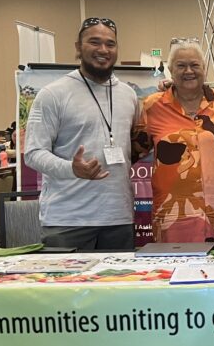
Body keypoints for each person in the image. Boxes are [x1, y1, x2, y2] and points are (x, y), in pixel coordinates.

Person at [25, 17, 142, 250]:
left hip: (118, 219)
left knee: (118, 286)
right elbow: (33, 153)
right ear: (78, 47)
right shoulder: (53, 94)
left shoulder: (129, 95)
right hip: (68, 221)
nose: (103, 50)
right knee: (65, 287)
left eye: (110, 44)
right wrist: (72, 169)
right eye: (94, 42)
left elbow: (134, 145)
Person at [134, 41, 214, 245]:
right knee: (173, 271)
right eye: (181, 66)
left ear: (204, 69)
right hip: (173, 217)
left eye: (195, 65)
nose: (188, 71)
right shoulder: (153, 106)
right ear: (170, 71)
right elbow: (134, 151)